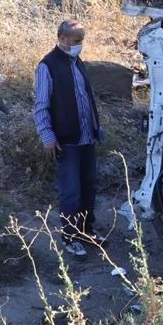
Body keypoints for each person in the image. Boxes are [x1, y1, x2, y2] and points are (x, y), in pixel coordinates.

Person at [34, 19, 102, 258]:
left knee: (88, 188)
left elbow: (85, 98)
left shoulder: (77, 62)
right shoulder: (47, 66)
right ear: (62, 38)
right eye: (77, 40)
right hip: (67, 142)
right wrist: (47, 136)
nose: (80, 45)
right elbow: (41, 106)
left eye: (82, 40)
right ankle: (70, 237)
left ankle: (86, 231)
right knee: (71, 192)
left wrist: (96, 126)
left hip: (87, 139)